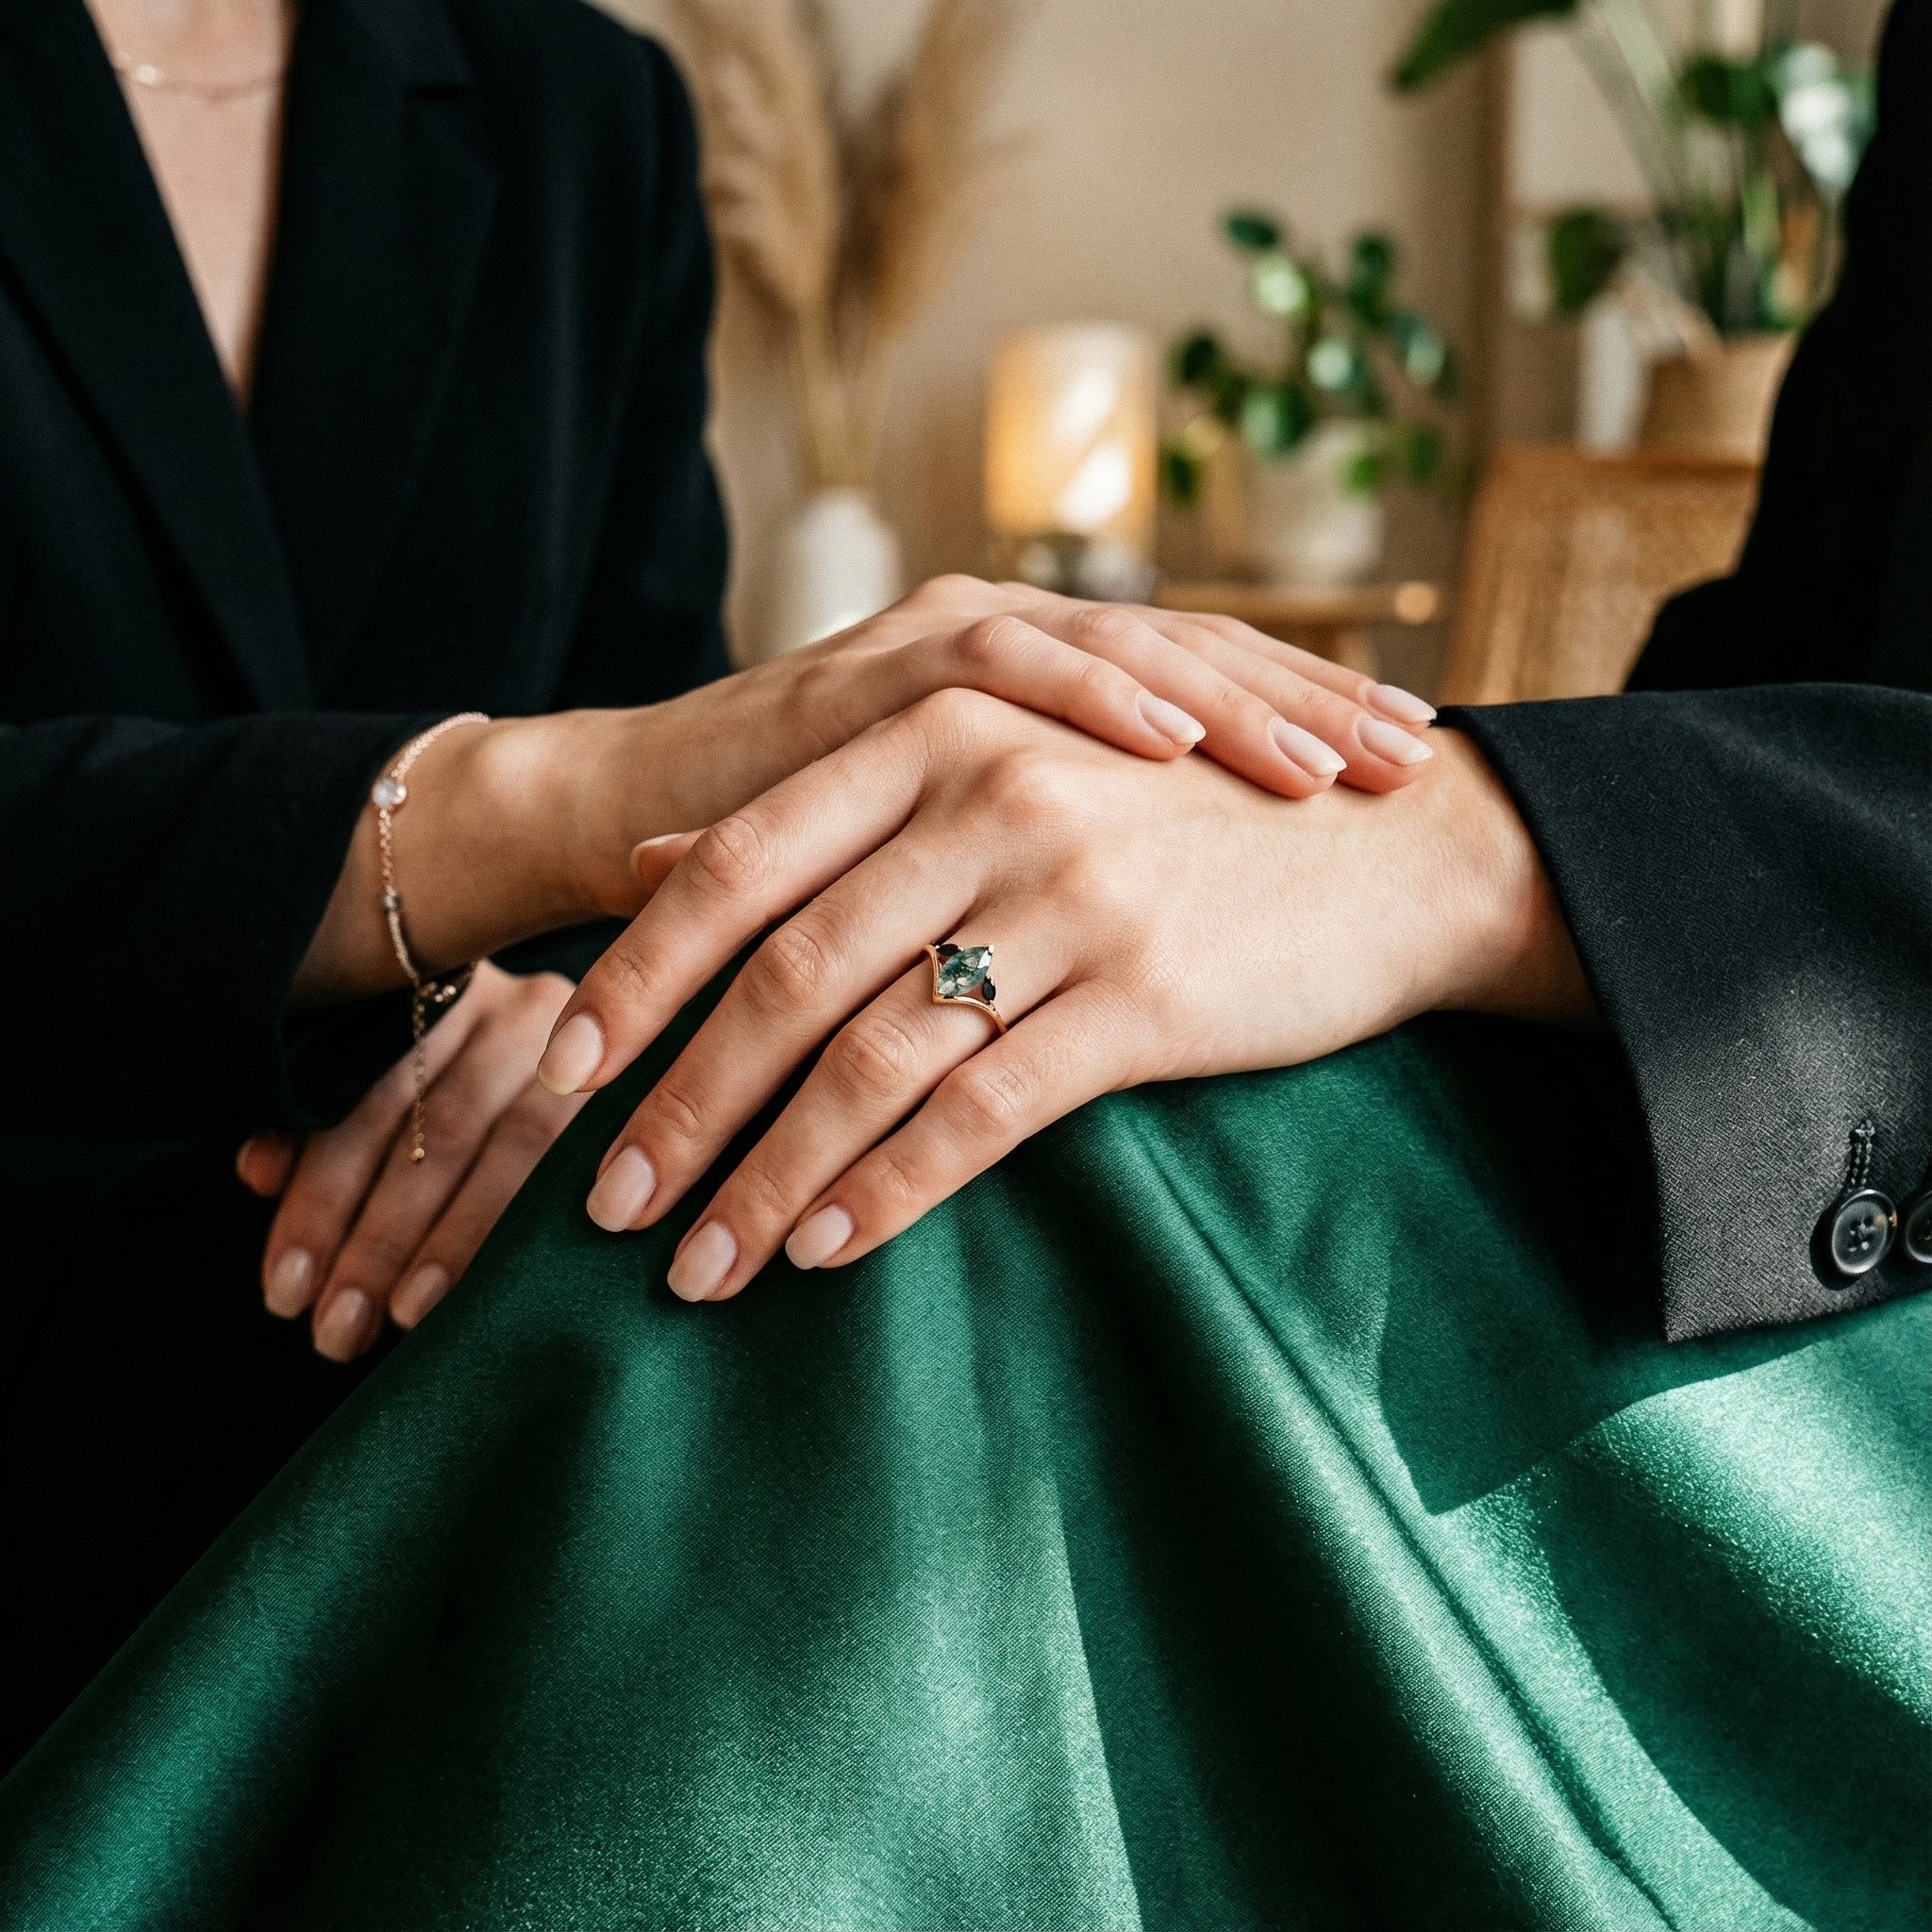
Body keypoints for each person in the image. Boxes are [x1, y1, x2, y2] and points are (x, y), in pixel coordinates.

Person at [0, 0, 1430, 1776]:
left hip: (462, 1334)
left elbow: (639, 745)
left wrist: (547, 1020)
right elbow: (625, 763)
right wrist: (535, 803)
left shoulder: (580, 108)